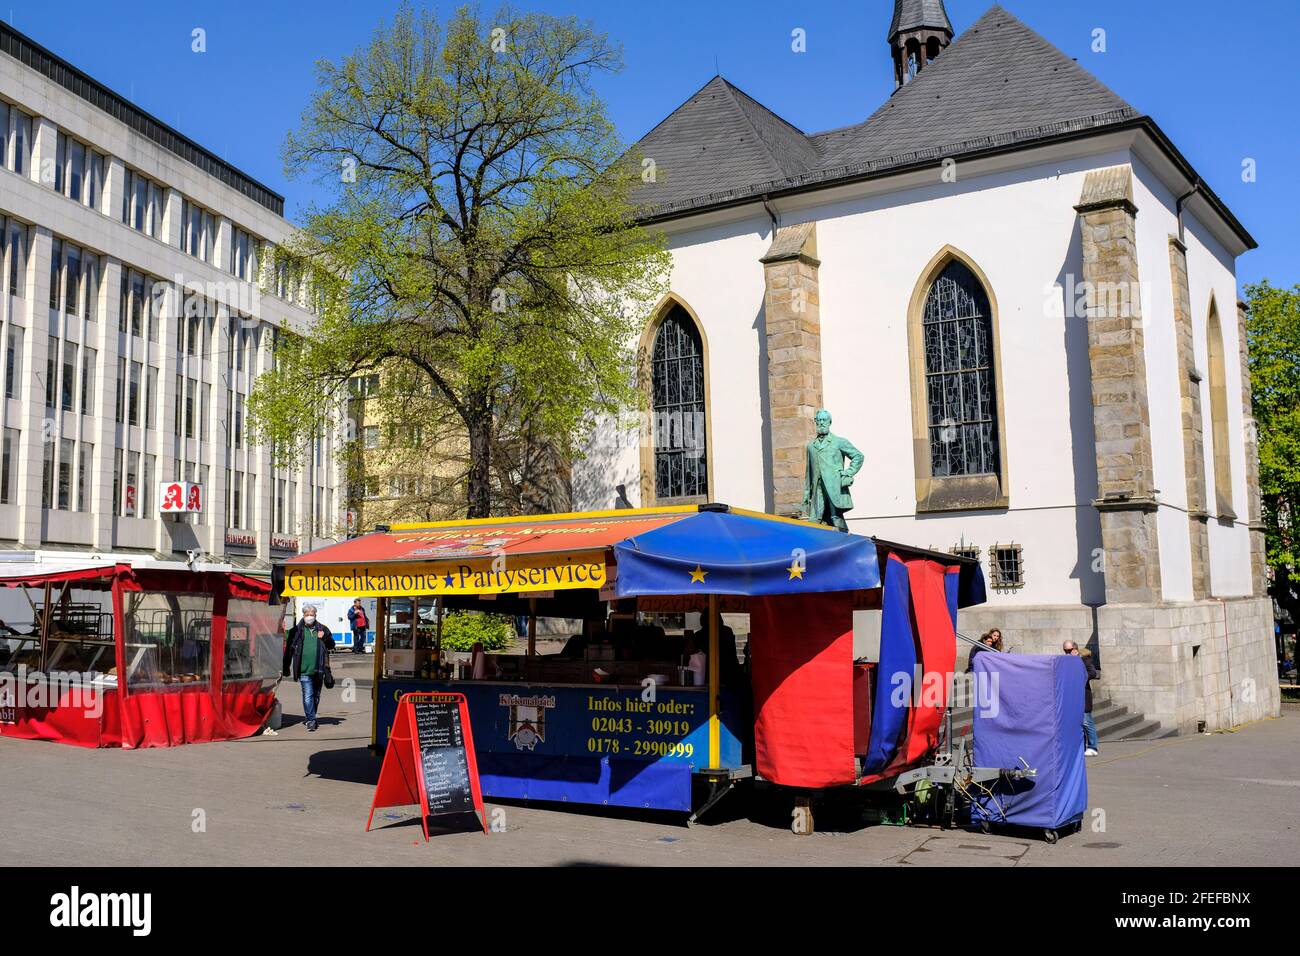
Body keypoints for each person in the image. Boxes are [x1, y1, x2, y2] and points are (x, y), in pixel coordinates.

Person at [283, 604, 335, 732]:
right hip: (303, 670)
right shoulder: (296, 631)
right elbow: (289, 650)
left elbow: (332, 645)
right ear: (303, 615)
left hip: (319, 669)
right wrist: (286, 666)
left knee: (316, 696)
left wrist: (325, 637)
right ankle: (311, 720)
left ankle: (310, 716)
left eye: (312, 614)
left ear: (315, 615)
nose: (309, 617)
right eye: (307, 615)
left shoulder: (323, 629)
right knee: (308, 695)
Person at [1064, 639, 1100, 756]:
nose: (1067, 653)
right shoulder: (1067, 661)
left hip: (1084, 696)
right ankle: (1081, 747)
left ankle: (1093, 747)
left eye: (1069, 650)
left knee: (1087, 722)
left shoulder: (1084, 659)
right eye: (1065, 651)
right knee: (1078, 723)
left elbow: (1093, 673)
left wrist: (1080, 677)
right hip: (1073, 698)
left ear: (1075, 649)